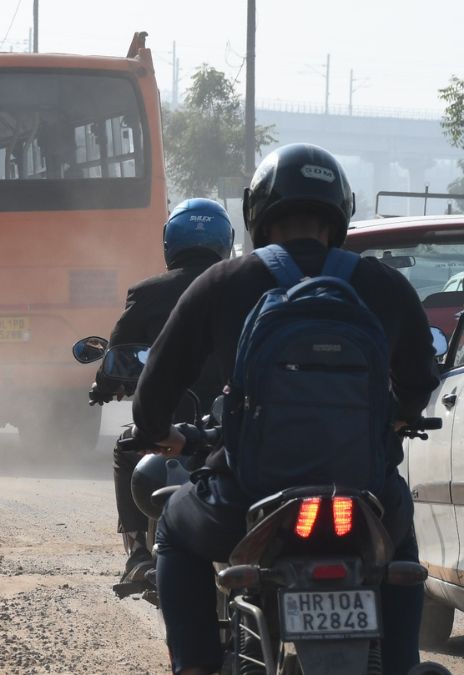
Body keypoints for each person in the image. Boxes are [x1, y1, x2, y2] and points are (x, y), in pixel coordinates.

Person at [130, 143, 440, 675]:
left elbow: (153, 391)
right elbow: (420, 380)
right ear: (340, 211)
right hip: (362, 497)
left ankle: (197, 665)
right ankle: (402, 665)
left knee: (173, 532)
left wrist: (162, 432)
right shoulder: (382, 284)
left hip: (246, 498)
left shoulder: (224, 281)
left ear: (257, 211)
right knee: (399, 549)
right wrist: (398, 416)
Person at [91, 198, 233, 590]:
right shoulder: (241, 285)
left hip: (170, 423)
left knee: (126, 448)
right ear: (225, 240)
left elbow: (118, 354)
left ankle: (138, 553)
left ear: (170, 241)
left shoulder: (148, 292)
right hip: (232, 418)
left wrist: (103, 387)